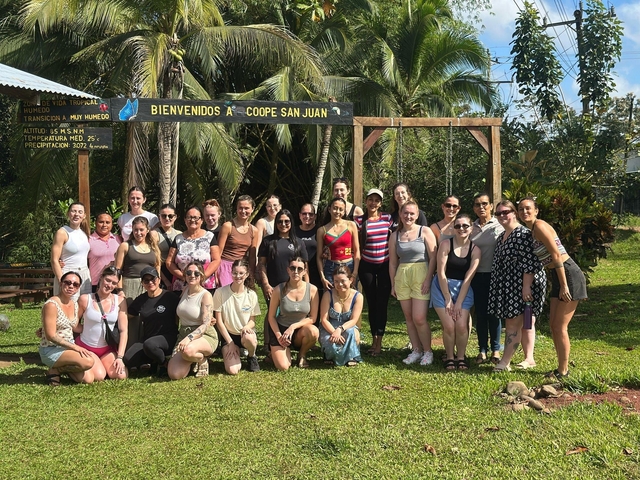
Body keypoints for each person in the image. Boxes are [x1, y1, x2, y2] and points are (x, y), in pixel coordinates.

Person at [517, 196, 587, 379]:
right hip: (558, 276)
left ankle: (563, 371)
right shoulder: (532, 230)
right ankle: (560, 368)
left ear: (536, 210)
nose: (524, 212)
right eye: (521, 209)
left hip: (568, 274)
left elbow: (556, 256)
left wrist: (564, 285)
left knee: (560, 326)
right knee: (553, 325)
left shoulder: (539, 226)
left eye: (528, 208)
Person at [488, 200, 546, 372]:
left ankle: (505, 361)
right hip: (509, 284)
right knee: (526, 321)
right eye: (498, 214)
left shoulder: (522, 234)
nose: (502, 216)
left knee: (514, 322)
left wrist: (526, 287)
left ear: (514, 213)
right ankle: (529, 359)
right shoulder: (502, 236)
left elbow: (531, 263)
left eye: (506, 212)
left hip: (524, 284)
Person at [389, 200, 437, 366]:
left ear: (417, 215)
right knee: (409, 317)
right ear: (400, 215)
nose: (408, 216)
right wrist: (393, 283)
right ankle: (416, 350)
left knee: (419, 318)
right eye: (405, 213)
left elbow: (433, 258)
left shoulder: (425, 231)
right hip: (402, 276)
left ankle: (428, 351)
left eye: (412, 213)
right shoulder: (395, 235)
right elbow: (393, 263)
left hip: (420, 274)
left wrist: (428, 279)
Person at [431, 214, 481, 371]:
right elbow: (441, 272)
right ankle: (449, 357)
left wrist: (458, 302)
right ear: (453, 228)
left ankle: (461, 357)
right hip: (442, 287)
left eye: (465, 226)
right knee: (449, 325)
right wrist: (448, 299)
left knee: (460, 325)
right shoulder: (446, 244)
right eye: (458, 226)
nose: (461, 229)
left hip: (463, 290)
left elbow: (468, 278)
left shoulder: (475, 250)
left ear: (471, 228)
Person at [39, 271, 95, 385]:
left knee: (88, 379)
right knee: (88, 362)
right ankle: (55, 369)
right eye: (67, 282)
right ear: (61, 283)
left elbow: (76, 327)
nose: (71, 286)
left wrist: (96, 328)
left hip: (68, 348)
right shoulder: (51, 305)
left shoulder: (74, 304)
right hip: (51, 349)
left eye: (75, 284)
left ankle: (58, 369)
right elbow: (51, 336)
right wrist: (76, 348)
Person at [354, 188, 392, 355]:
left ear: (380, 203)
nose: (373, 203)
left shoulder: (388, 218)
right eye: (370, 199)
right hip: (367, 265)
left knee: (382, 303)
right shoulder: (359, 221)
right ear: (366, 201)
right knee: (371, 302)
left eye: (377, 200)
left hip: (385, 264)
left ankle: (379, 342)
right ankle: (373, 339)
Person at [76, 266, 129, 381]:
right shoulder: (85, 299)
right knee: (99, 376)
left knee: (121, 376)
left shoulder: (120, 301)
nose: (109, 285)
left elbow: (123, 330)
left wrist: (120, 357)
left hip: (107, 348)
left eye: (114, 283)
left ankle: (99, 363)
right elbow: (74, 324)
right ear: (101, 278)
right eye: (108, 280)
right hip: (87, 347)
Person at [267, 257, 319, 370]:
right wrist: (279, 336)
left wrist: (293, 326)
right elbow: (271, 317)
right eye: (293, 268)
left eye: (299, 269)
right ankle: (277, 352)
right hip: (281, 331)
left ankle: (301, 354)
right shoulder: (278, 289)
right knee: (283, 367)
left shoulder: (312, 290)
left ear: (305, 271)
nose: (296, 272)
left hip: (299, 331)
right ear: (288, 270)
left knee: (314, 331)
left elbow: (313, 318)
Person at [124, 266, 179, 376]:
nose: (150, 282)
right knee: (128, 359)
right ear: (142, 283)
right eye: (146, 280)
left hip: (168, 337)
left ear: (159, 279)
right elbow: (127, 315)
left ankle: (164, 364)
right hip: (148, 338)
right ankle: (156, 360)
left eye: (153, 279)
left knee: (150, 345)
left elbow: (184, 312)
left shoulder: (170, 296)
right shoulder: (141, 300)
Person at [167, 262, 218, 379]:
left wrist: (189, 338)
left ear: (202, 276)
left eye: (196, 273)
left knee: (188, 351)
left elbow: (206, 324)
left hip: (204, 335)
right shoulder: (185, 291)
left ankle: (202, 359)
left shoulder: (205, 295)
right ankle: (193, 359)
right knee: (174, 374)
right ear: (185, 275)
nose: (192, 275)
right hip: (184, 333)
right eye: (189, 273)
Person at [470, 193, 504, 365]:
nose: (481, 207)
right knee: (481, 314)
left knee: (494, 314)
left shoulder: (500, 225)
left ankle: (496, 350)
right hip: (477, 276)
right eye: (477, 204)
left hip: (495, 275)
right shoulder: (470, 227)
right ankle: (482, 350)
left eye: (484, 204)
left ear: (491, 205)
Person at [213, 259, 261, 374]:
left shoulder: (252, 294)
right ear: (231, 273)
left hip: (244, 334)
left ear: (247, 274)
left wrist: (246, 327)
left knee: (249, 338)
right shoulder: (220, 292)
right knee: (233, 370)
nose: (237, 276)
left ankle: (251, 356)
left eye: (241, 273)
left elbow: (252, 320)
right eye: (235, 273)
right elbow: (219, 322)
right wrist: (230, 343)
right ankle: (236, 352)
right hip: (228, 336)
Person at [166, 206, 220, 293]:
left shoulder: (209, 236)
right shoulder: (178, 238)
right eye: (189, 217)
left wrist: (202, 277)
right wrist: (183, 277)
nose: (192, 220)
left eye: (196, 217)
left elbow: (216, 260)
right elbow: (169, 262)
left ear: (202, 220)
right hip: (181, 286)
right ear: (185, 219)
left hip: (205, 285)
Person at [319, 265, 363, 366]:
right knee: (330, 341)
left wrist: (340, 329)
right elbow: (324, 319)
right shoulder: (328, 295)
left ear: (351, 280)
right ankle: (329, 355)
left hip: (347, 327)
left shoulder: (358, 296)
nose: (339, 284)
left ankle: (351, 356)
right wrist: (334, 332)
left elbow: (354, 320)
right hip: (329, 328)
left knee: (351, 333)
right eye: (336, 281)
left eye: (343, 281)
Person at [317, 197, 360, 291]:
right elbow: (319, 257)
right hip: (330, 267)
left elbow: (357, 251)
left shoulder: (351, 225)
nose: (337, 211)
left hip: (349, 266)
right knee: (331, 299)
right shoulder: (322, 230)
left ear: (344, 211)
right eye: (335, 208)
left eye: (341, 209)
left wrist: (355, 273)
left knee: (350, 297)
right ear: (329, 209)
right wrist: (322, 277)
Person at [115, 216, 161, 303]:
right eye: (135, 230)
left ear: (147, 230)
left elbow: (157, 266)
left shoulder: (154, 247)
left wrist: (157, 283)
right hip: (130, 284)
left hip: (150, 284)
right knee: (130, 314)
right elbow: (118, 270)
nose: (138, 233)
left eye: (141, 230)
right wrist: (120, 290)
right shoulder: (125, 246)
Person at [51, 202, 92, 300]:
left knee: (85, 307)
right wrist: (62, 280)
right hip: (68, 274)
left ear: (84, 216)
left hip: (85, 274)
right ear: (68, 213)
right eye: (73, 211)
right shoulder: (62, 232)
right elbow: (54, 260)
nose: (76, 214)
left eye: (80, 212)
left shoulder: (84, 233)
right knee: (68, 308)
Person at [217, 195, 259, 287]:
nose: (243, 211)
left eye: (246, 208)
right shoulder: (228, 226)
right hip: (225, 268)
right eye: (240, 208)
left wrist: (251, 275)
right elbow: (218, 252)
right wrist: (215, 274)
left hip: (242, 268)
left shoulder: (254, 231)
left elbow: (252, 256)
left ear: (252, 209)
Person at [88, 212, 121, 293]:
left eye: (107, 222)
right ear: (95, 223)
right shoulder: (89, 240)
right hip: (95, 284)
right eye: (101, 222)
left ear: (112, 224)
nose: (104, 225)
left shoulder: (118, 239)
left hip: (115, 284)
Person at [295, 203, 323, 298]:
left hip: (317, 272)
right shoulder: (293, 232)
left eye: (310, 214)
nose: (307, 216)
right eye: (304, 213)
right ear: (300, 215)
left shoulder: (320, 231)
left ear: (314, 216)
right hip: (298, 272)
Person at [153, 203, 181, 288]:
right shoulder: (154, 234)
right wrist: (165, 280)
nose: (167, 218)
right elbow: (154, 260)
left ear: (175, 217)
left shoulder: (179, 234)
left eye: (170, 216)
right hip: (161, 272)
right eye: (164, 216)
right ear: (159, 217)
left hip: (176, 272)